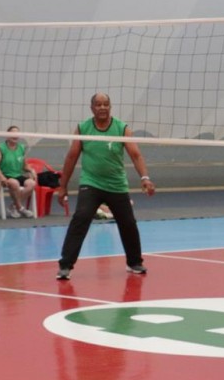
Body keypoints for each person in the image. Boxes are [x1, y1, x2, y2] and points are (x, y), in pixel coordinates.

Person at [55, 93, 155, 280]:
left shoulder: (121, 128)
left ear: (110, 107)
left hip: (116, 185)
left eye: (106, 104)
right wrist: (63, 187)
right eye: (98, 104)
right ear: (92, 108)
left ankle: (134, 262)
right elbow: (71, 157)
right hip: (91, 183)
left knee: (128, 223)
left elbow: (135, 155)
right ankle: (65, 265)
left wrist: (145, 178)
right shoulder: (83, 128)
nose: (102, 107)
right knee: (81, 218)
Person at [0, 126, 37, 219]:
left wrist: (31, 170)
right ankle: (20, 208)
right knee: (14, 183)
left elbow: (24, 166)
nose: (15, 136)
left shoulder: (21, 147)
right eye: (13, 133)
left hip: (17, 175)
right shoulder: (0, 148)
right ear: (7, 136)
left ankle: (13, 206)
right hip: (4, 175)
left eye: (17, 134)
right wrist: (1, 176)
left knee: (31, 183)